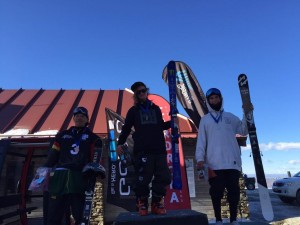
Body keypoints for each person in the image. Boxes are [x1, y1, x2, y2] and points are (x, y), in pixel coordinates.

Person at [195, 88, 252, 225]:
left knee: (234, 193)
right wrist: (200, 159)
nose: (214, 100)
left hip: (232, 163)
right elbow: (201, 141)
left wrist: (247, 112)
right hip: (214, 164)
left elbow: (243, 130)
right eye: (211, 99)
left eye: (216, 98)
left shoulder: (230, 117)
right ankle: (219, 219)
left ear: (221, 99)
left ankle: (233, 219)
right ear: (208, 101)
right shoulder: (205, 120)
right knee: (216, 193)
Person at [116, 81, 172, 216]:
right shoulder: (133, 111)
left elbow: (161, 126)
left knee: (163, 177)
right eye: (138, 92)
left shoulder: (156, 108)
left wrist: (172, 123)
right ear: (135, 95)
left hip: (159, 149)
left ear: (147, 91)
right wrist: (119, 143)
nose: (142, 93)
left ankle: (157, 202)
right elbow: (126, 128)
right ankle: (142, 203)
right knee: (142, 178)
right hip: (142, 150)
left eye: (143, 90)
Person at [43, 106, 105, 225]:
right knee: (55, 212)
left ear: (87, 120)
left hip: (79, 177)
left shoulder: (93, 137)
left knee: (80, 213)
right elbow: (53, 154)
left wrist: (94, 173)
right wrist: (44, 169)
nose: (79, 118)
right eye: (77, 116)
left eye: (82, 116)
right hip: (60, 177)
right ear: (73, 118)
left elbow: (96, 158)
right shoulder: (62, 135)